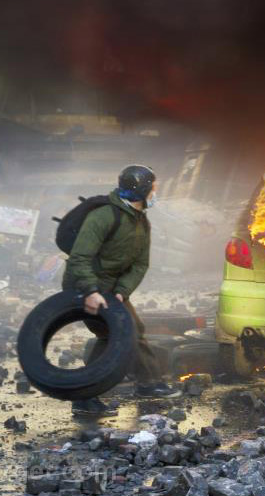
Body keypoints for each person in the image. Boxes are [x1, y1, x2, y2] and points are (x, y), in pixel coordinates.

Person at [62, 164, 179, 417]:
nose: (155, 193)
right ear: (142, 190)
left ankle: (146, 384)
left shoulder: (140, 221)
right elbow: (79, 258)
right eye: (153, 188)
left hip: (111, 288)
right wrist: (90, 291)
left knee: (127, 330)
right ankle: (88, 395)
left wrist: (122, 291)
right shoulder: (104, 216)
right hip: (84, 285)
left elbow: (140, 264)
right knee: (118, 331)